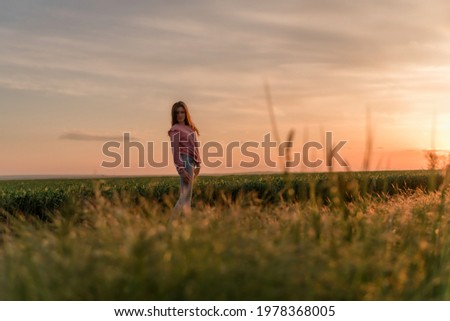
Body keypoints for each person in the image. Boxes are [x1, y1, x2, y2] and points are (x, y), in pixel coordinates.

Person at [168, 101, 201, 215]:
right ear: (174, 115)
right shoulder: (175, 129)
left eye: (182, 112)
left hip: (191, 162)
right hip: (184, 161)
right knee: (185, 197)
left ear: (186, 113)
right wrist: (181, 169)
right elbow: (175, 151)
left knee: (186, 197)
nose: (180, 115)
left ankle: (184, 226)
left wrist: (198, 164)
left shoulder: (190, 128)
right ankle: (171, 224)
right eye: (177, 113)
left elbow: (195, 146)